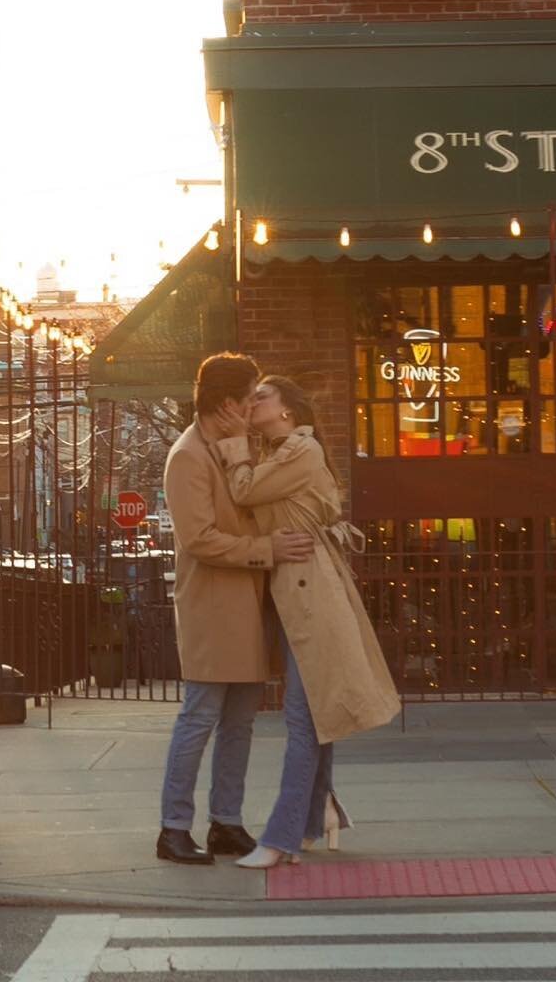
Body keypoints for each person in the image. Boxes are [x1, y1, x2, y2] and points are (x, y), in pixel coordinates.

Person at [213, 375, 400, 869]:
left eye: (262, 397)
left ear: (289, 412)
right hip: (297, 590)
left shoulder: (300, 451)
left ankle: (282, 837)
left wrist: (234, 444)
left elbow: (245, 491)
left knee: (303, 719)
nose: (252, 402)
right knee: (315, 715)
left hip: (310, 591)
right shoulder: (282, 452)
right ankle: (319, 814)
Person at [156, 353, 316, 865]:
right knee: (199, 717)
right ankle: (173, 827)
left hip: (249, 602)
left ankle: (226, 820)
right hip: (212, 605)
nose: (253, 408)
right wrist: (268, 549)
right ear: (227, 404)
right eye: (249, 399)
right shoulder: (188, 456)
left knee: (241, 722)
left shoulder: (233, 447)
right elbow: (199, 539)